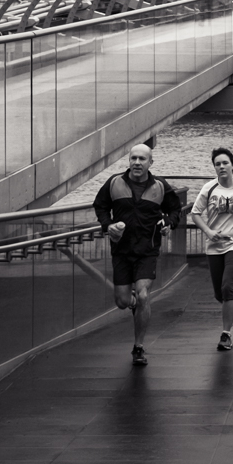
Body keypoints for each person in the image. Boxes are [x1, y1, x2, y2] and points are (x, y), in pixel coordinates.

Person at [93, 144, 182, 366]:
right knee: (123, 301)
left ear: (150, 162)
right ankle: (134, 304)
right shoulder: (115, 183)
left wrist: (168, 223)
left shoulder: (160, 186)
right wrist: (108, 225)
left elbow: (175, 210)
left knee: (144, 295)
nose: (137, 162)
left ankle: (139, 346)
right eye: (133, 158)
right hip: (121, 250)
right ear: (129, 161)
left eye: (142, 159)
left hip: (147, 250)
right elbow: (100, 206)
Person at [189, 147, 233, 351]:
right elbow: (195, 213)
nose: (221, 167)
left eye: (225, 163)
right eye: (217, 164)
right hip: (214, 244)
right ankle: (229, 307)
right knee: (220, 294)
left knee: (228, 287)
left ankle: (226, 334)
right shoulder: (209, 189)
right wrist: (208, 232)